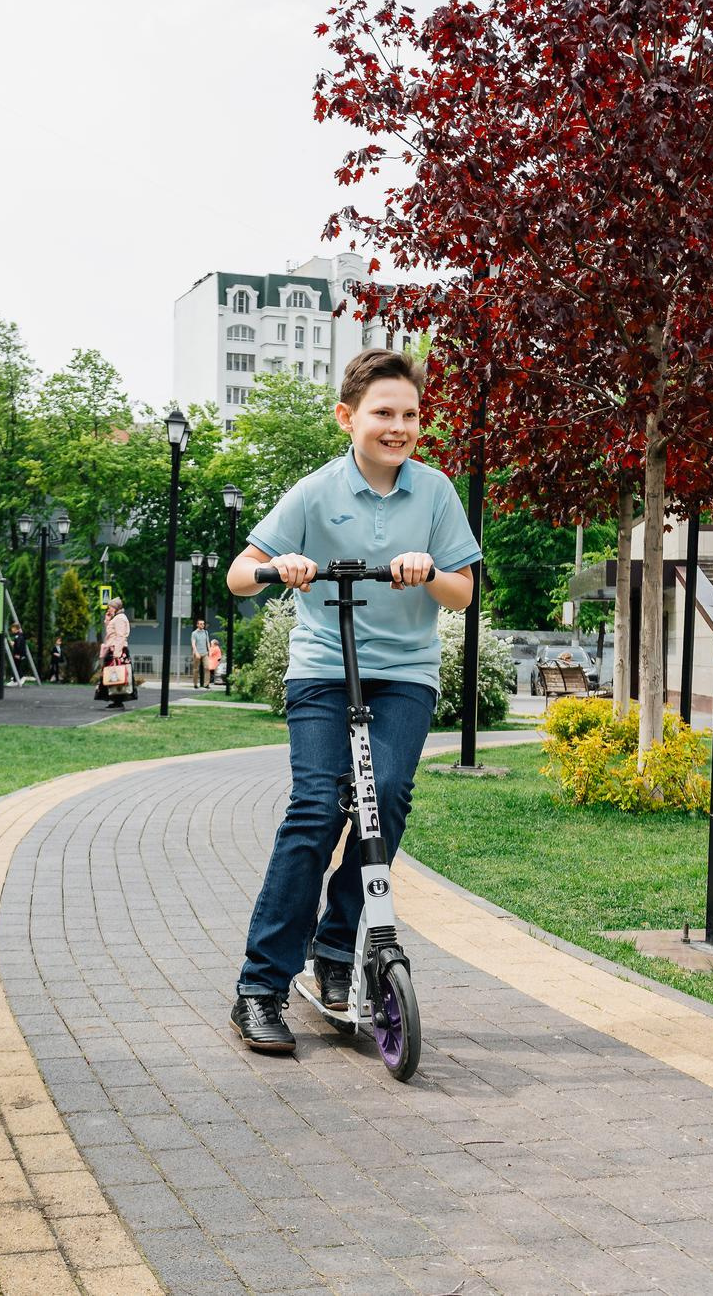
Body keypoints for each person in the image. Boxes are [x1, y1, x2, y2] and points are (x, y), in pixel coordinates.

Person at [224, 348, 481, 1054]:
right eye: (382, 413)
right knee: (317, 807)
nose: (397, 426)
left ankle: (336, 948)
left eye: (409, 414)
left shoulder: (434, 493)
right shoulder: (314, 491)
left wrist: (429, 570)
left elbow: (463, 590)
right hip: (322, 671)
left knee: (385, 797)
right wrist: (282, 565)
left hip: (402, 674)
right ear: (349, 417)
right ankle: (258, 986)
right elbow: (238, 575)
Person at [93, 598, 136, 709]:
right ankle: (115, 700)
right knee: (113, 675)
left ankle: (118, 700)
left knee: (116, 675)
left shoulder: (120, 619)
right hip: (115, 649)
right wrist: (107, 620)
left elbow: (120, 636)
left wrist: (117, 654)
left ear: (116, 607)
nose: (109, 609)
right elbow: (111, 633)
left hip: (117, 651)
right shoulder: (117, 618)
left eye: (110, 607)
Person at [190, 617, 210, 689]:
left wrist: (209, 651)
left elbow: (207, 642)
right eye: (201, 624)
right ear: (197, 625)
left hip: (205, 653)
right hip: (197, 653)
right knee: (196, 669)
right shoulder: (194, 633)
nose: (202, 625)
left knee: (207, 668)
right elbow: (193, 644)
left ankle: (206, 684)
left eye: (203, 624)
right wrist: (196, 653)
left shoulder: (205, 632)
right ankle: (195, 684)